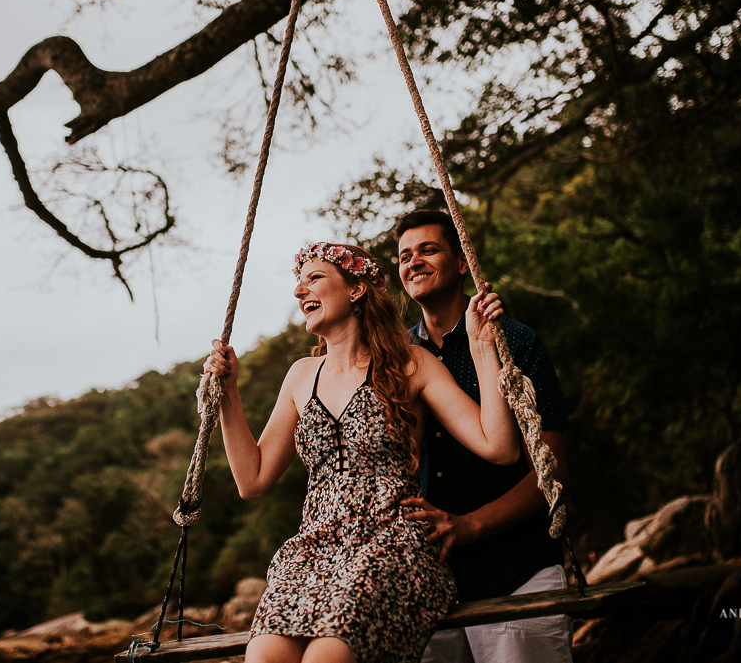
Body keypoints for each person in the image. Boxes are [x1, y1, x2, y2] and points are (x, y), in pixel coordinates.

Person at [203, 241, 521, 663]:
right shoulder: (301, 375)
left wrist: (483, 350)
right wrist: (228, 394)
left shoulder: (412, 363)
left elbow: (499, 447)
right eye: (298, 282)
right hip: (315, 548)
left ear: (356, 289)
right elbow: (252, 480)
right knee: (264, 658)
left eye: (314, 278)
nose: (300, 291)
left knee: (326, 659)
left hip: (392, 542)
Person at [394, 210, 573, 663]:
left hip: (516, 571)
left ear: (460, 262)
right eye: (404, 256)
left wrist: (470, 525)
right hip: (430, 587)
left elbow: (552, 473)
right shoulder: (396, 361)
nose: (414, 262)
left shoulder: (514, 341)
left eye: (428, 249)